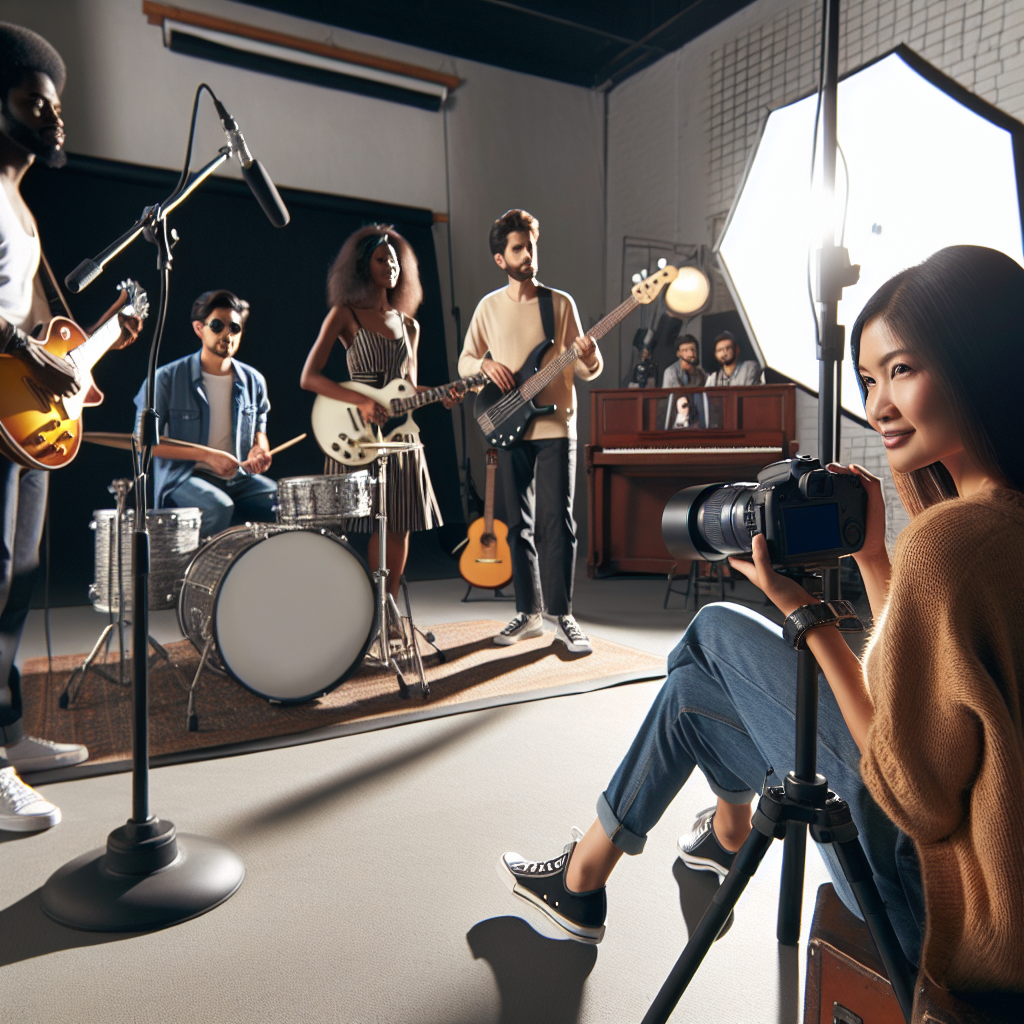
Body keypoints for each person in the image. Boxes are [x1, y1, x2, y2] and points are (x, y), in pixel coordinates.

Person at [498, 245, 1024, 995]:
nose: (877, 408)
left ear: (981, 361)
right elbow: (936, 700)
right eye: (870, 380)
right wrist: (875, 559)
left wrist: (805, 616)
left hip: (944, 908)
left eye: (903, 371)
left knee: (712, 633)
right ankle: (666, 850)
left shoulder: (954, 543)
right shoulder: (997, 525)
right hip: (987, 889)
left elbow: (912, 792)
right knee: (690, 694)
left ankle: (614, 870)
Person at [0, 24, 141, 831]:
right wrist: (27, 349)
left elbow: (47, 331)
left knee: (17, 582)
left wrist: (89, 351)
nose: (54, 118)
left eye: (57, 107)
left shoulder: (22, 206)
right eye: (34, 102)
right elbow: (13, 329)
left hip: (20, 426)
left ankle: (10, 734)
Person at [458, 209, 601, 654]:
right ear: (501, 259)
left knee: (557, 522)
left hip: (556, 423)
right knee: (515, 523)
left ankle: (563, 616)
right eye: (518, 248)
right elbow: (464, 362)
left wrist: (590, 354)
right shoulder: (488, 307)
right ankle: (529, 612)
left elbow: (585, 368)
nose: (527, 255)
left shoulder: (559, 304)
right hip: (507, 426)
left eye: (531, 246)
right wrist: (485, 364)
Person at [301, 224, 451, 600]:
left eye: (396, 260)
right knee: (345, 525)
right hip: (356, 434)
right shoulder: (344, 313)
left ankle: (386, 609)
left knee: (397, 525)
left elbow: (407, 387)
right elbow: (309, 377)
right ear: (361, 266)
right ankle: (351, 609)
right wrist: (362, 402)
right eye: (381, 259)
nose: (391, 266)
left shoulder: (410, 326)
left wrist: (442, 394)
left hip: (399, 439)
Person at [135, 290, 275, 539]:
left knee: (283, 503)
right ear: (199, 328)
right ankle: (199, 574)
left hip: (238, 477)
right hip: (184, 478)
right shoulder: (165, 379)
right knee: (219, 507)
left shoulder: (254, 380)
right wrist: (208, 456)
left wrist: (259, 450)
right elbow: (144, 445)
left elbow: (259, 432)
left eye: (234, 328)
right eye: (217, 326)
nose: (227, 335)